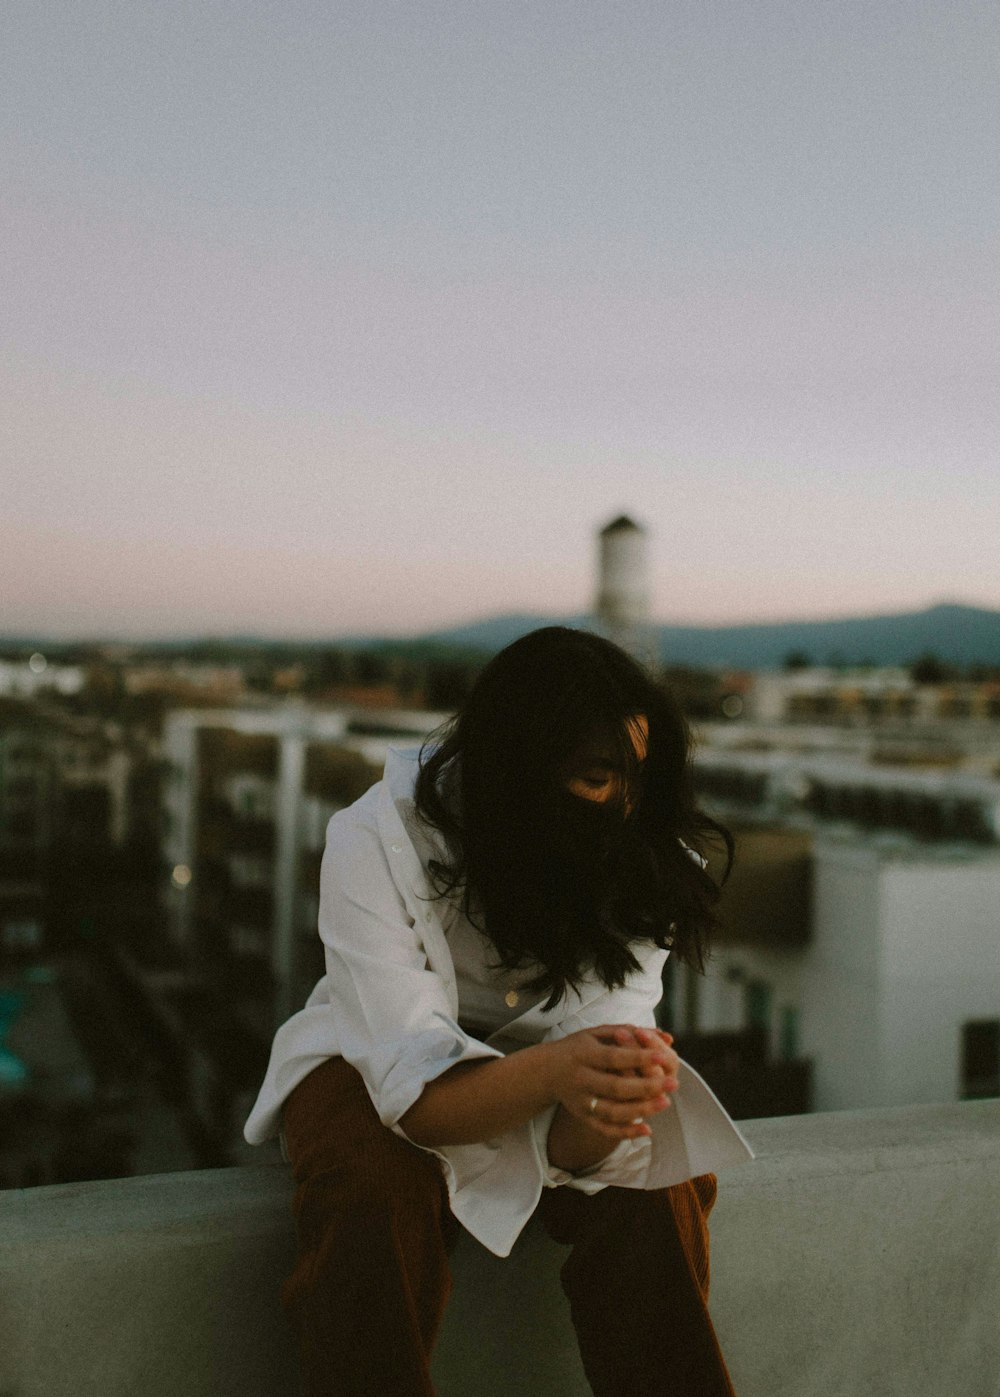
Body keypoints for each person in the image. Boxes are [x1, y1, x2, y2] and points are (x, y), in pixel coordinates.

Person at [244, 626, 753, 1396]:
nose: (623, 805)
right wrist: (560, 1070)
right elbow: (409, 1095)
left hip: (546, 1082)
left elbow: (585, 1155)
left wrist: (612, 1099)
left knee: (659, 1189)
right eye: (597, 776)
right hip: (370, 1058)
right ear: (520, 770)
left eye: (637, 778)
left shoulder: (646, 870)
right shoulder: (378, 836)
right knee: (368, 1182)